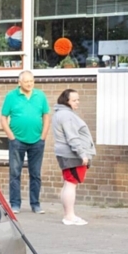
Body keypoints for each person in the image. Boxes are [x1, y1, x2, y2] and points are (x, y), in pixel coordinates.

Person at [0, 70, 51, 213]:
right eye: (26, 81)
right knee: (15, 174)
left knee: (35, 174)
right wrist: (11, 136)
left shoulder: (40, 95)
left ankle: (35, 204)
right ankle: (15, 204)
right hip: (17, 141)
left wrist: (43, 136)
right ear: (19, 82)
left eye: (31, 81)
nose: (29, 84)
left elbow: (46, 116)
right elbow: (3, 117)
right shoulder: (11, 96)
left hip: (37, 141)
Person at [52, 88, 95, 226]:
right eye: (74, 100)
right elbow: (72, 137)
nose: (77, 102)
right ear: (66, 101)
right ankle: (69, 216)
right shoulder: (66, 115)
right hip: (72, 155)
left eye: (78, 99)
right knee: (71, 184)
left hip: (67, 154)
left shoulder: (61, 113)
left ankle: (68, 215)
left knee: (68, 184)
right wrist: (82, 154)